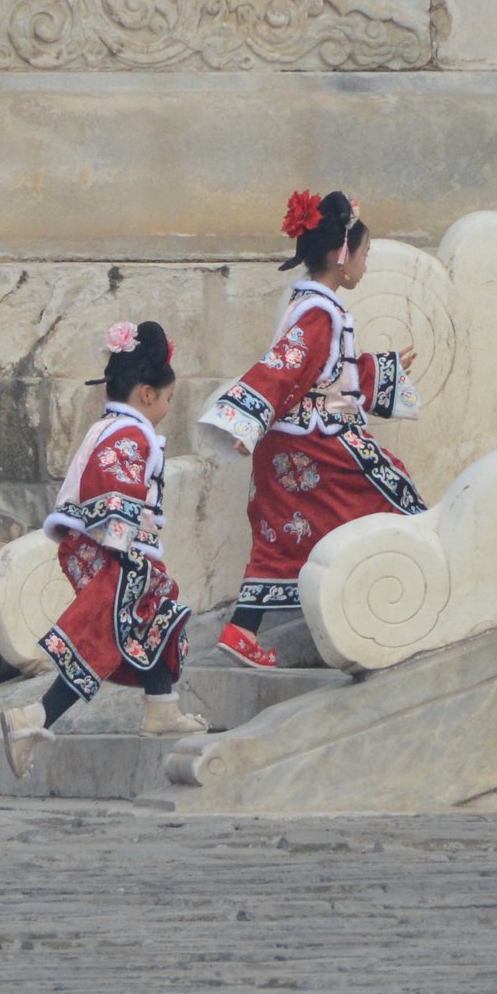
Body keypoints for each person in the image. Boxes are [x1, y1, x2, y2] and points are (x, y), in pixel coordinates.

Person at [199, 189, 426, 669]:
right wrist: (247, 421)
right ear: (342, 256)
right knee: (392, 493)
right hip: (316, 446)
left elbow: (327, 376)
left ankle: (242, 630)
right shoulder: (320, 315)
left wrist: (382, 369)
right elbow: (284, 369)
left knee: (282, 537)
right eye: (365, 254)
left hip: (295, 443)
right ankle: (406, 597)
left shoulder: (315, 308)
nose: (365, 264)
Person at [0, 322, 207, 779]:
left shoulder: (112, 427)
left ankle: (161, 708)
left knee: (153, 618)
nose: (167, 409)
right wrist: (125, 546)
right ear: (148, 394)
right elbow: (114, 489)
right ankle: (33, 719)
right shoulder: (129, 435)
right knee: (103, 638)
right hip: (119, 551)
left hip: (114, 548)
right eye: (169, 400)